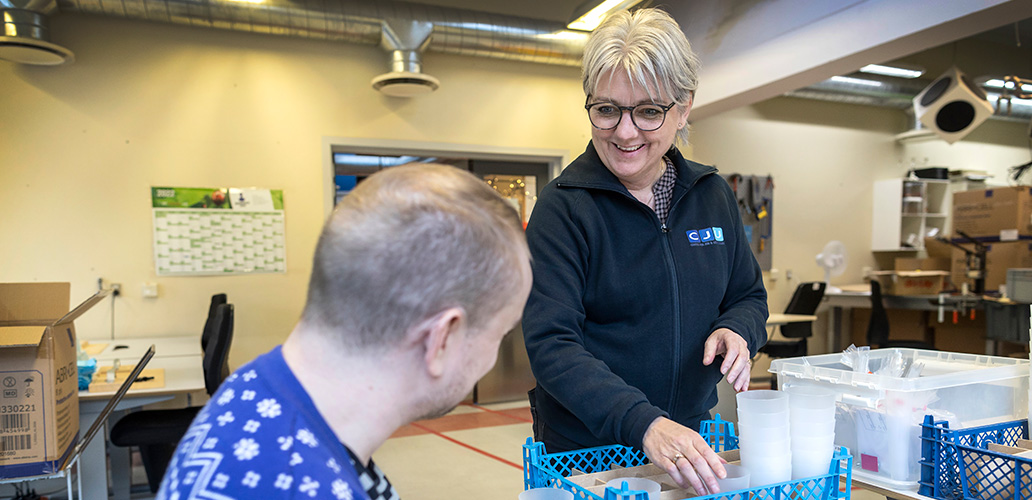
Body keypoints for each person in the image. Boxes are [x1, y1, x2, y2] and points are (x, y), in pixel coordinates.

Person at [157, 164, 532, 500]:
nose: (493, 356)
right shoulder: (294, 485)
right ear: (442, 339)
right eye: (501, 332)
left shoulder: (261, 384)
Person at [522, 7, 768, 496]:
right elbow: (552, 344)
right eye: (607, 109)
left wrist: (737, 330)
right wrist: (644, 423)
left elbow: (749, 297)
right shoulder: (564, 207)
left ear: (683, 108)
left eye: (649, 111)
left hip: (691, 441)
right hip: (587, 450)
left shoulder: (712, 194)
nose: (625, 132)